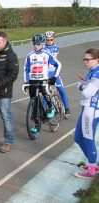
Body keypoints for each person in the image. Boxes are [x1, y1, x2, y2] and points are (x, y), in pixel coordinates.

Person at [24, 34, 61, 137]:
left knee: (45, 92)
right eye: (34, 44)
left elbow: (58, 65)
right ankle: (36, 125)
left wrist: (54, 77)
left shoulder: (47, 54)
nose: (36, 46)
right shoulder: (30, 55)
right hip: (32, 81)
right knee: (34, 104)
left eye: (39, 44)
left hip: (43, 80)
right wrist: (26, 81)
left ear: (43, 44)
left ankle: (50, 107)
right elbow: (26, 69)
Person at [73, 48, 99, 179]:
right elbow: (83, 86)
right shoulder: (91, 72)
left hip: (92, 109)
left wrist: (83, 86)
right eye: (84, 59)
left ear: (97, 60)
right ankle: (92, 165)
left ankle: (92, 171)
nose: (85, 62)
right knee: (78, 137)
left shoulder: (98, 73)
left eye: (88, 59)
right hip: (86, 107)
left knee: (88, 139)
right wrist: (84, 85)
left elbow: (86, 92)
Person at [43, 31, 71, 118]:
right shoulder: (43, 48)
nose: (49, 41)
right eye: (47, 40)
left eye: (51, 40)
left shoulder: (56, 48)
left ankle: (66, 108)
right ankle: (43, 111)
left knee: (61, 90)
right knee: (45, 93)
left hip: (54, 72)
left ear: (54, 39)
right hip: (46, 73)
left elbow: (53, 60)